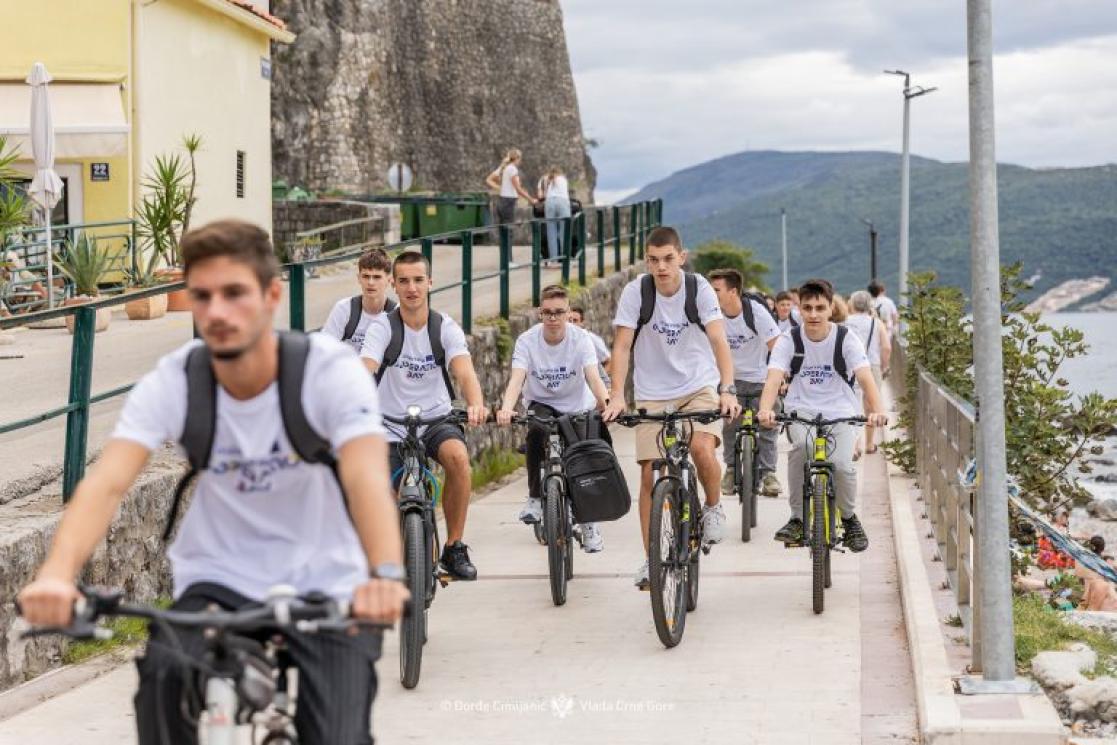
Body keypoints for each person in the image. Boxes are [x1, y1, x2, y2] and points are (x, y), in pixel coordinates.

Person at [17, 220, 407, 744]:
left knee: (338, 732)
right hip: (219, 577)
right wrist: (57, 575)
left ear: (271, 295)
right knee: (162, 680)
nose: (217, 312)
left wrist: (383, 573)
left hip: (325, 580)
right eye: (202, 296)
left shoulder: (327, 372)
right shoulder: (177, 380)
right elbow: (106, 483)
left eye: (234, 293)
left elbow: (365, 477)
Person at [601, 226, 741, 588]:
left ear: (681, 257)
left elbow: (718, 340)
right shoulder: (636, 293)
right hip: (653, 393)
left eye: (667, 259)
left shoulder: (699, 290)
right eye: (652, 260)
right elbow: (621, 347)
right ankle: (651, 559)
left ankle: (712, 506)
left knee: (700, 448)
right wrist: (617, 394)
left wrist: (727, 389)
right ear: (646, 261)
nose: (660, 267)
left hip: (698, 385)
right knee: (650, 473)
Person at [361, 251, 487, 580]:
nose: (411, 288)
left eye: (418, 280)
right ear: (393, 284)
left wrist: (475, 402)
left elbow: (464, 371)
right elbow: (366, 369)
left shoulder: (444, 327)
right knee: (384, 491)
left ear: (430, 283)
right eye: (403, 281)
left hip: (435, 420)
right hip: (389, 425)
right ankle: (398, 548)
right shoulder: (381, 329)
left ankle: (454, 547)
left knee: (458, 459)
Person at [757, 278, 888, 552]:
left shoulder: (845, 338)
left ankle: (850, 519)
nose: (814, 314)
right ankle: (796, 518)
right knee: (801, 449)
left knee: (841, 464)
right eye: (807, 308)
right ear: (799, 310)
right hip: (801, 409)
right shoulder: (789, 339)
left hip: (841, 410)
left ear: (831, 308)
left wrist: (877, 411)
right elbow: (773, 379)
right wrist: (765, 409)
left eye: (820, 307)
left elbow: (865, 378)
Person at [496, 285, 611, 552]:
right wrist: (506, 408)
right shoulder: (527, 340)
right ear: (540, 313)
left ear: (568, 312)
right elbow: (517, 378)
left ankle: (589, 522)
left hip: (576, 406)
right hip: (542, 403)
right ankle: (535, 497)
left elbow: (593, 377)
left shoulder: (581, 339)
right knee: (535, 430)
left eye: (559, 312)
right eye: (547, 313)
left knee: (583, 458)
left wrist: (605, 404)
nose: (553, 318)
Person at [707, 269, 783, 499]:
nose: (711, 295)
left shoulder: (755, 312)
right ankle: (730, 469)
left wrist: (781, 379)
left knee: (768, 423)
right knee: (730, 424)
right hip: (730, 382)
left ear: (733, 291)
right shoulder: (712, 315)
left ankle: (769, 474)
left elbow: (776, 346)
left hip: (760, 380)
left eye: (716, 290)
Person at [320, 247, 396, 353]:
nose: (370, 282)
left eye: (377, 277)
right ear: (359, 278)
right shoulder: (344, 309)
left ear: (389, 280)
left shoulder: (398, 314)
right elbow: (324, 349)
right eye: (366, 276)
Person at [846, 290, 892, 456]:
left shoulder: (845, 322)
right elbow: (886, 347)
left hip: (849, 366)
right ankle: (870, 444)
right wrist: (884, 366)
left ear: (851, 304)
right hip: (871, 365)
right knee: (870, 405)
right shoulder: (876, 323)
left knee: (852, 404)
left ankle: (855, 445)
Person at [486, 147, 537, 225]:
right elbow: (518, 188)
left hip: (502, 201)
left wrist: (500, 188)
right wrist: (530, 199)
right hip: (509, 202)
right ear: (517, 158)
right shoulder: (512, 169)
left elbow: (488, 180)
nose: (520, 161)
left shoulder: (504, 168)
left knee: (504, 230)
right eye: (520, 159)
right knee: (509, 229)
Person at [570, 304, 612, 388]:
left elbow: (609, 361)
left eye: (575, 321)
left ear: (582, 323)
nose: (572, 324)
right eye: (569, 321)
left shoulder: (591, 339)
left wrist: (596, 380)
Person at [536, 165, 572, 263]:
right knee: (564, 232)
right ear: (560, 172)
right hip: (562, 202)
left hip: (549, 203)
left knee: (551, 232)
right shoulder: (563, 179)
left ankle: (553, 260)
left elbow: (540, 196)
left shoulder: (543, 179)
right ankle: (566, 259)